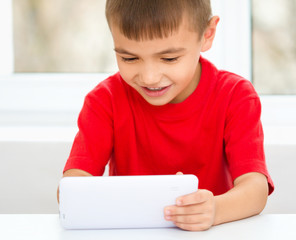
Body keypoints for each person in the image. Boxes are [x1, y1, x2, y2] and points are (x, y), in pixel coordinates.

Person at [59, 0, 274, 231]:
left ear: (207, 35)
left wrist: (215, 210)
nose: (149, 77)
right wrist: (75, 194)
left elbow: (255, 189)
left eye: (169, 59)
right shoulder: (104, 101)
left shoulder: (235, 96)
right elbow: (72, 187)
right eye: (129, 58)